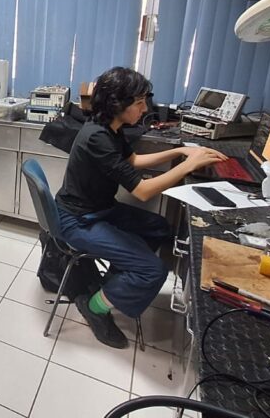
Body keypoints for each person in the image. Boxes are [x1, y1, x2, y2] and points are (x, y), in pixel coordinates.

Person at [56, 67, 226, 348]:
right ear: (117, 104)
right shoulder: (97, 136)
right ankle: (94, 306)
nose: (145, 108)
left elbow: (133, 161)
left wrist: (180, 151)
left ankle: (118, 280)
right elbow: (143, 191)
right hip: (78, 220)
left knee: (158, 227)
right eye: (138, 103)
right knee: (153, 270)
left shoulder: (110, 128)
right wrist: (188, 165)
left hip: (100, 210)